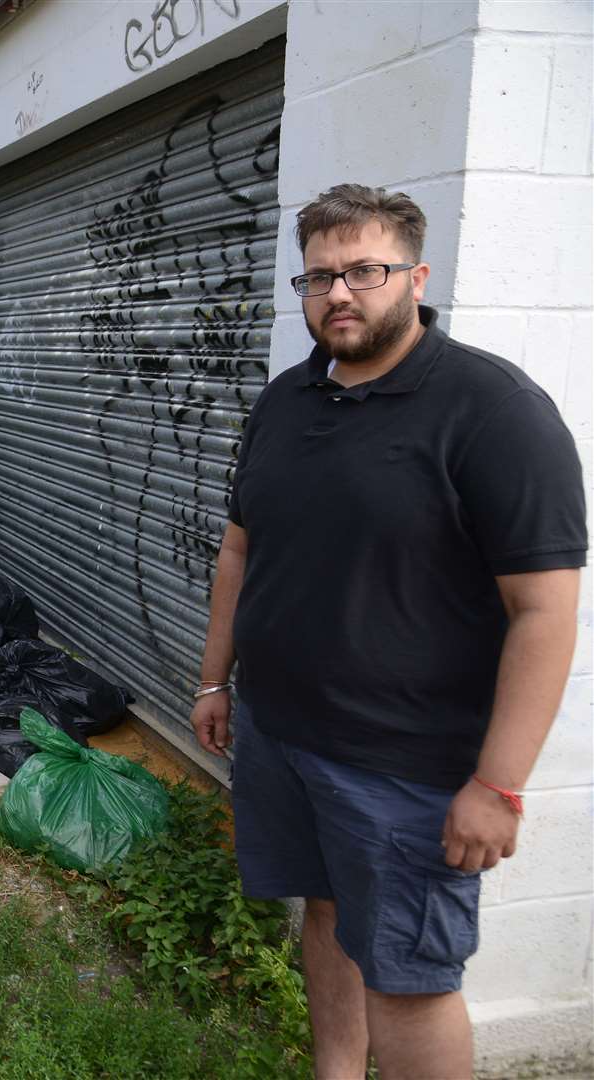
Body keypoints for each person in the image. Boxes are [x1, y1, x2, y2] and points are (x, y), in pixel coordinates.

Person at [191, 184, 585, 1079]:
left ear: (415, 275)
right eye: (319, 276)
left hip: (406, 766)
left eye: (364, 271)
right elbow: (240, 550)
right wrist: (217, 683)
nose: (339, 294)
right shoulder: (288, 400)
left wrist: (500, 785)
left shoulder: (494, 411)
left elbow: (545, 614)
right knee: (326, 915)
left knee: (410, 980)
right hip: (283, 732)